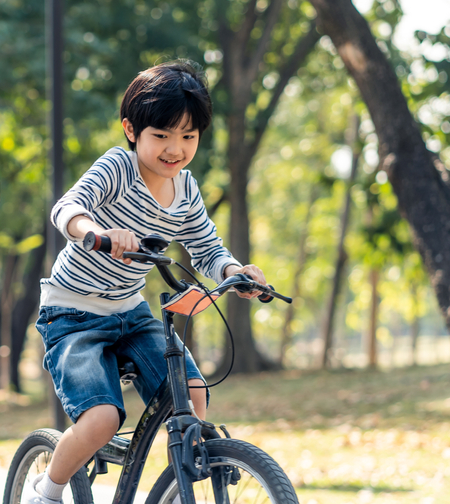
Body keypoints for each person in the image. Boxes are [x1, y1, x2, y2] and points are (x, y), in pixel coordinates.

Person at [26, 60, 268, 504]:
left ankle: (180, 489)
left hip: (130, 310)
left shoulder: (187, 189)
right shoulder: (118, 167)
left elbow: (207, 248)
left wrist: (237, 274)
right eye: (162, 135)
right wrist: (94, 231)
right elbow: (68, 207)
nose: (175, 148)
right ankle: (47, 490)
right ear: (131, 130)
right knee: (100, 421)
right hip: (72, 312)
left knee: (194, 396)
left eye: (188, 136)